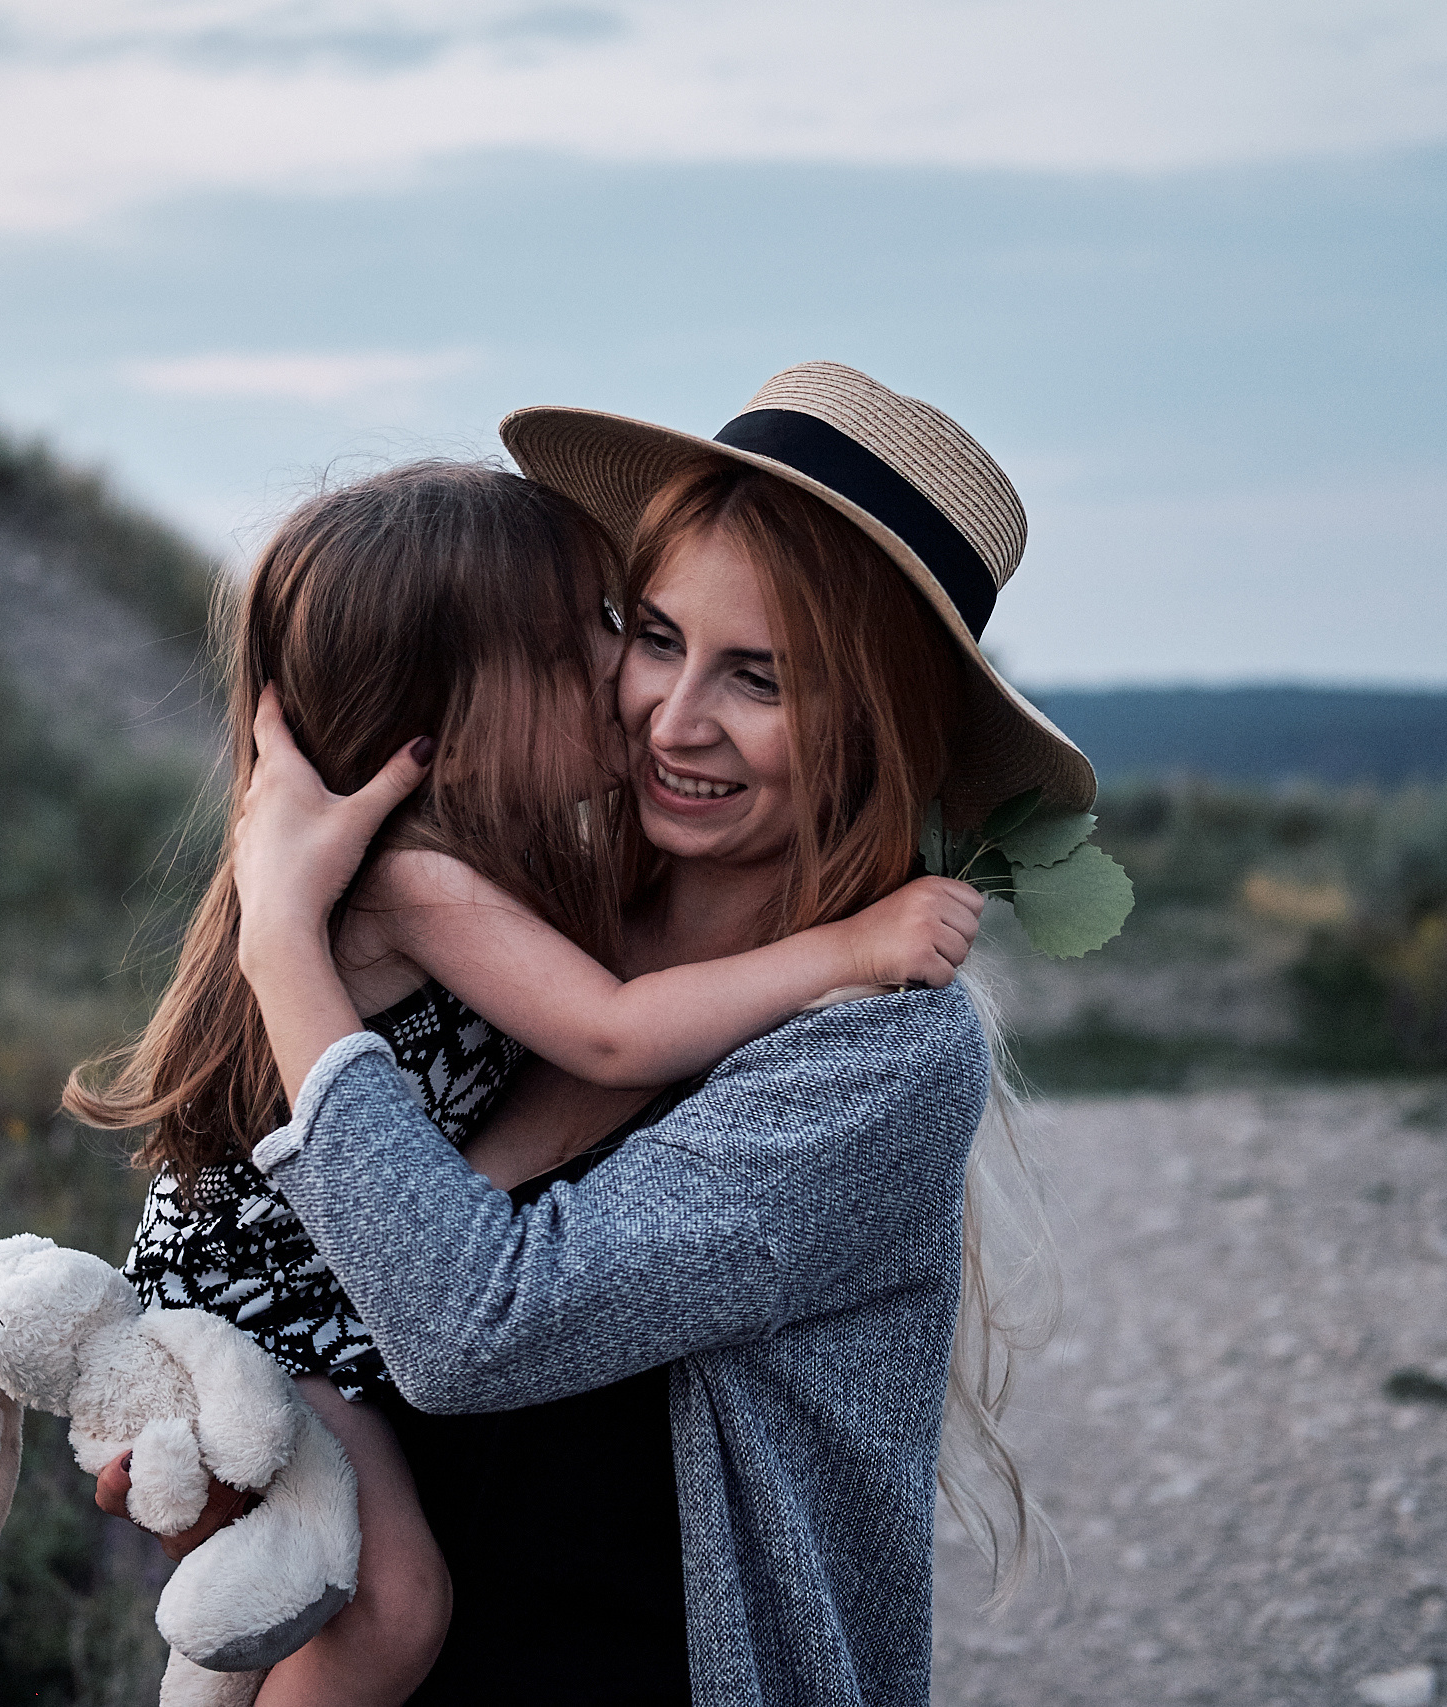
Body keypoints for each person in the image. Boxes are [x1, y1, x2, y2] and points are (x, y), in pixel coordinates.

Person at [214, 363, 1096, 1705]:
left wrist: (277, 934)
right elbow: (340, 1312)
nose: (675, 723)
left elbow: (473, 1327)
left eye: (759, 678)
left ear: (875, 722)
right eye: (655, 636)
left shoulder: (881, 1056)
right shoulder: (529, 935)